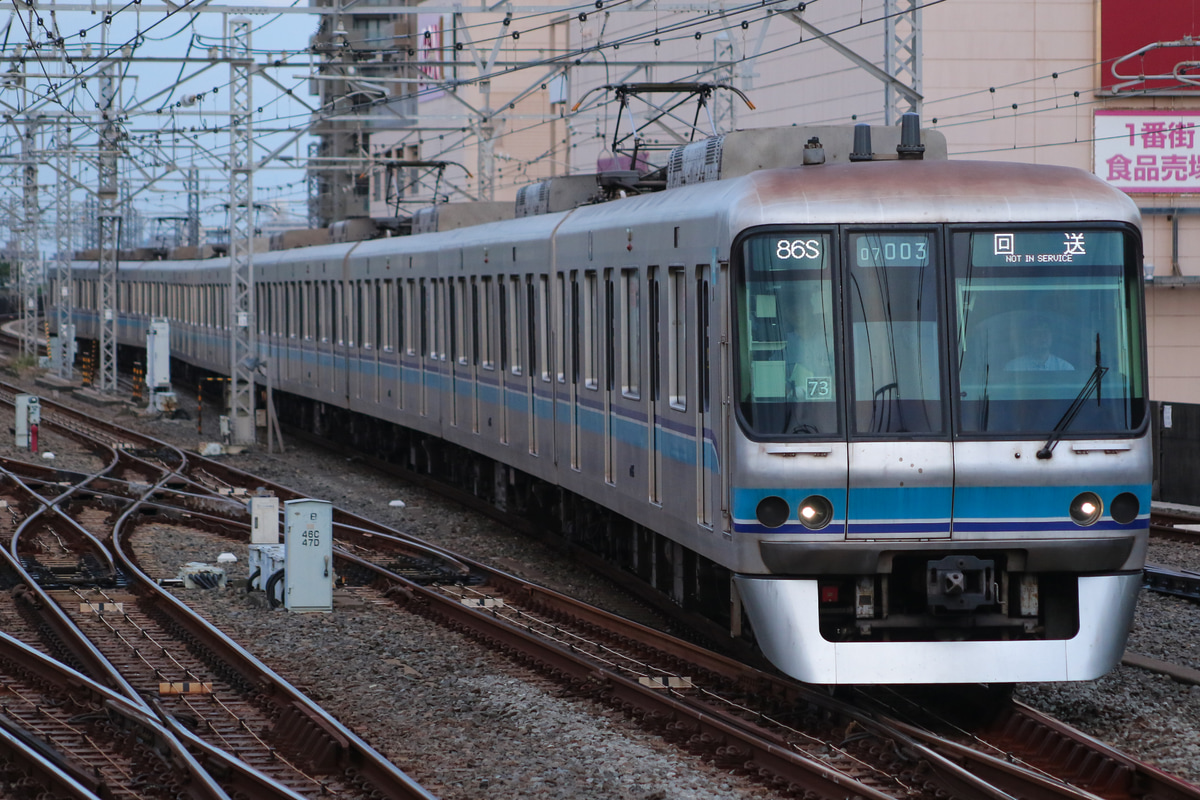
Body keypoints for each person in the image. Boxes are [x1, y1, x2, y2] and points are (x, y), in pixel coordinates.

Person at [1005, 323, 1074, 371]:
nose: (1042, 336)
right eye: (1036, 333)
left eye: (1045, 332)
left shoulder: (1065, 368)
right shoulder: (1013, 367)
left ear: (1052, 337)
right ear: (1027, 338)